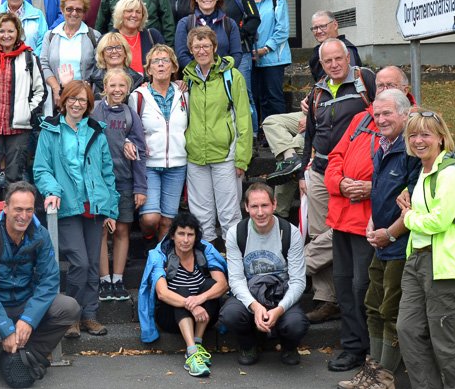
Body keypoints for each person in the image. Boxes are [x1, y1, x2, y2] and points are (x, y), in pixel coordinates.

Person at [323, 73, 417, 375]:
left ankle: (374, 358)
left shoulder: (415, 128)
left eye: (391, 85)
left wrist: (370, 188)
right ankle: (356, 349)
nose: (383, 90)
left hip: (377, 225)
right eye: (380, 85)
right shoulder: (363, 119)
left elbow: (411, 182)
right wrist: (340, 183)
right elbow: (335, 157)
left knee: (367, 291)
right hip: (344, 215)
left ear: (405, 90)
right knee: (344, 285)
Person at [0, 181, 80, 379]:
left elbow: (49, 280)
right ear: (6, 208)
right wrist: (6, 328)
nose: (24, 215)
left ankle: (30, 353)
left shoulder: (40, 235)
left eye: (29, 210)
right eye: (18, 209)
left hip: (24, 300)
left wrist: (28, 319)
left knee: (69, 307)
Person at [396, 109, 455, 389]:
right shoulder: (423, 171)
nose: (418, 140)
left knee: (446, 342)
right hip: (417, 260)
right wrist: (409, 201)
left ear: (441, 138)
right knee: (407, 330)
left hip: (443, 266)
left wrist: (408, 218)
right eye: (413, 135)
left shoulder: (451, 173)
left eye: (425, 134)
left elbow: (440, 221)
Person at [34, 80, 119, 338]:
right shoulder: (50, 130)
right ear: (64, 100)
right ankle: (70, 316)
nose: (77, 104)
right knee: (80, 262)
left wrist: (111, 210)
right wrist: (53, 191)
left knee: (92, 264)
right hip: (67, 206)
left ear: (89, 104)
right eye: (72, 98)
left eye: (82, 100)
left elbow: (107, 173)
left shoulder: (96, 131)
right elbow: (41, 169)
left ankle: (89, 315)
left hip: (94, 207)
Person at [300, 38, 376, 325]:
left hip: (353, 173)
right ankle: (326, 299)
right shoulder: (318, 90)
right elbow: (311, 133)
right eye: (327, 61)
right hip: (320, 170)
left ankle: (296, 266)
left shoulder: (364, 80)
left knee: (338, 233)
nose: (333, 65)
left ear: (348, 58)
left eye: (338, 59)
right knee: (319, 232)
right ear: (321, 63)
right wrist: (303, 171)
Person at [263, 10, 362, 217]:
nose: (318, 31)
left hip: (331, 121)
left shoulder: (347, 51)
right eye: (315, 28)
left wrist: (312, 120)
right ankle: (290, 158)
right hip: (314, 111)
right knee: (271, 122)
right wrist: (308, 100)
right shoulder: (317, 53)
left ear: (335, 25)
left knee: (298, 150)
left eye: (322, 26)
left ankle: (280, 212)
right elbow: (324, 85)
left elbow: (345, 92)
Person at [221, 183, 309, 367]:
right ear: (246, 207)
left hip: (280, 293)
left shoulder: (290, 233)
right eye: (254, 206)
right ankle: (248, 345)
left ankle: (289, 346)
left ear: (274, 204)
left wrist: (279, 309)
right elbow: (236, 280)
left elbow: (298, 281)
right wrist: (255, 306)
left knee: (296, 324)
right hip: (251, 292)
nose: (260, 212)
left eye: (265, 205)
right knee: (230, 314)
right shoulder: (236, 233)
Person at [183, 26, 252, 247]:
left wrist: (242, 158)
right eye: (196, 47)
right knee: (201, 216)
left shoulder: (232, 76)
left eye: (206, 46)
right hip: (196, 156)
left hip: (225, 155)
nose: (201, 51)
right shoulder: (188, 79)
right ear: (190, 50)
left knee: (229, 214)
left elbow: (244, 118)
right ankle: (208, 258)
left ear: (214, 47)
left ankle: (233, 259)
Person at [138, 212, 228, 378]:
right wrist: (192, 306)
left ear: (196, 237)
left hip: (203, 317)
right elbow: (162, 293)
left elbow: (222, 285)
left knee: (210, 285)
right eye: (181, 234)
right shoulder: (160, 255)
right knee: (181, 290)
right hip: (170, 317)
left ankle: (198, 344)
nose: (185, 240)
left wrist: (200, 299)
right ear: (172, 235)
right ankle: (191, 352)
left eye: (190, 235)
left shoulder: (204, 251)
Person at [0, 13, 46, 197]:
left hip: (18, 128)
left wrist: (28, 112)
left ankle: (11, 211)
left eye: (10, 31)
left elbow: (40, 91)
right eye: (2, 31)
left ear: (18, 32)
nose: (6, 35)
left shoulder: (29, 57)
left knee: (15, 176)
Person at [92, 68, 147, 302]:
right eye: (112, 85)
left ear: (128, 89)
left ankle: (118, 278)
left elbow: (140, 151)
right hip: (100, 183)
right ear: (105, 87)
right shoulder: (95, 111)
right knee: (102, 231)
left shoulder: (130, 115)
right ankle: (104, 279)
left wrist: (140, 187)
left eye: (121, 86)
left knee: (123, 229)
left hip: (124, 181)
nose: (117, 90)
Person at [128, 45, 188, 241]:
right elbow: (129, 130)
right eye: (156, 61)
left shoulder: (184, 94)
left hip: (177, 164)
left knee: (168, 221)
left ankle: (159, 256)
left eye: (166, 61)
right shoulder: (138, 96)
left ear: (174, 67)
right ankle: (148, 239)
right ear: (149, 69)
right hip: (149, 164)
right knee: (151, 218)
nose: (161, 64)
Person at [212, 0, 260, 131]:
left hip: (241, 52)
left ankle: (252, 134)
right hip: (213, 54)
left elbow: (254, 19)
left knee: (244, 93)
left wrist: (237, 35)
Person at [40, 0, 101, 109]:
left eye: (79, 10)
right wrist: (56, 89)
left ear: (84, 12)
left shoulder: (94, 36)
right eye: (69, 9)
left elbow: (99, 67)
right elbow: (43, 64)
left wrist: (86, 88)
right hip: (57, 98)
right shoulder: (50, 36)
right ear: (62, 10)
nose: (74, 13)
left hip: (84, 99)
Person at [249, 0, 291, 127]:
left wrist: (265, 48)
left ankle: (277, 132)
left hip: (273, 58)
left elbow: (282, 30)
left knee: (273, 98)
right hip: (251, 57)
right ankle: (260, 132)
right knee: (256, 97)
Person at [175, 0, 242, 70]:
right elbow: (181, 55)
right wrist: (200, 72)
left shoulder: (229, 24)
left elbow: (236, 54)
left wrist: (219, 72)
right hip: (194, 76)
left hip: (223, 74)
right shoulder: (185, 23)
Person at [106, 0, 166, 75]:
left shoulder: (153, 36)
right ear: (120, 13)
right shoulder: (107, 40)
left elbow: (166, 62)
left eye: (138, 12)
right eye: (129, 11)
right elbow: (100, 70)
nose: (134, 15)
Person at [92, 32, 144, 97]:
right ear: (102, 54)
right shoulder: (92, 81)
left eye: (119, 47)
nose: (114, 51)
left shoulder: (138, 81)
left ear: (125, 52)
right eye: (109, 48)